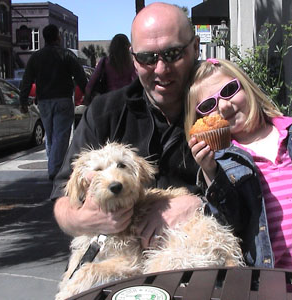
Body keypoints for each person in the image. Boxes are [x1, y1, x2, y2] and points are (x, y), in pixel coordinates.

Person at [185, 58, 292, 277]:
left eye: (229, 90)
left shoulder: (291, 133)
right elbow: (231, 221)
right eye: (208, 105)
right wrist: (211, 174)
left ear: (246, 86)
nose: (224, 106)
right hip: (270, 277)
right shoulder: (224, 161)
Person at [51, 3, 202, 248]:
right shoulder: (103, 112)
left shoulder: (224, 107)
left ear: (195, 48)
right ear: (133, 58)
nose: (161, 69)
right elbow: (61, 196)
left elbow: (261, 194)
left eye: (173, 54)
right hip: (118, 264)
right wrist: (83, 219)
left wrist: (200, 205)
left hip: (194, 260)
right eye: (147, 58)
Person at [20, 24, 88, 180]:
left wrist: (23, 100)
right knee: (61, 136)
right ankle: (55, 169)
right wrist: (88, 95)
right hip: (63, 99)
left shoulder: (36, 57)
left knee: (50, 135)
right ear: (58, 37)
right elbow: (81, 77)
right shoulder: (67, 55)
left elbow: (27, 80)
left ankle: (53, 165)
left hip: (43, 101)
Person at [84, 34, 137, 105]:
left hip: (109, 101)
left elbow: (92, 82)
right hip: (126, 100)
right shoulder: (131, 64)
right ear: (127, 47)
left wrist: (87, 98)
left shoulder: (105, 62)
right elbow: (135, 80)